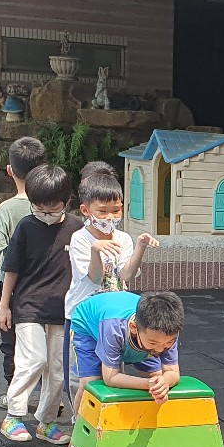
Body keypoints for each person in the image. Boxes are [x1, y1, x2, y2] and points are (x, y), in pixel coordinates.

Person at [0, 164, 80, 444]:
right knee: (34, 358)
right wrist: (4, 306)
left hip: (62, 309)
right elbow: (11, 269)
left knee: (57, 369)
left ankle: (47, 421)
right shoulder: (26, 226)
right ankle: (13, 415)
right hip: (28, 306)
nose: (45, 214)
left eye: (52, 209)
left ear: (66, 201)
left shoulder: (76, 228)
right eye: (39, 209)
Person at [63, 164, 159, 398]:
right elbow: (95, 277)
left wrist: (140, 247)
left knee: (113, 373)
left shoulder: (123, 238)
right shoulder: (80, 239)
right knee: (86, 379)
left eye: (116, 210)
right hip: (84, 317)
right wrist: (95, 250)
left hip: (114, 316)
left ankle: (110, 418)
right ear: (86, 210)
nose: (110, 217)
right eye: (103, 211)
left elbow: (126, 276)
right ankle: (79, 418)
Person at [0, 136, 46, 403]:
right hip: (48, 286)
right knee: (49, 342)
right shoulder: (54, 206)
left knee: (12, 343)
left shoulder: (7, 209)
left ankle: (14, 395)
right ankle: (53, 398)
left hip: (13, 289)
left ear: (9, 170)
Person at [68, 290, 185, 414]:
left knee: (157, 379)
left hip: (136, 338)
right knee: (90, 384)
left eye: (168, 343)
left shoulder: (166, 331)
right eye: (153, 343)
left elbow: (172, 372)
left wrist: (165, 381)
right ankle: (79, 422)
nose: (160, 349)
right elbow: (111, 378)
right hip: (89, 328)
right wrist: (148, 384)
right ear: (134, 328)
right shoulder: (114, 328)